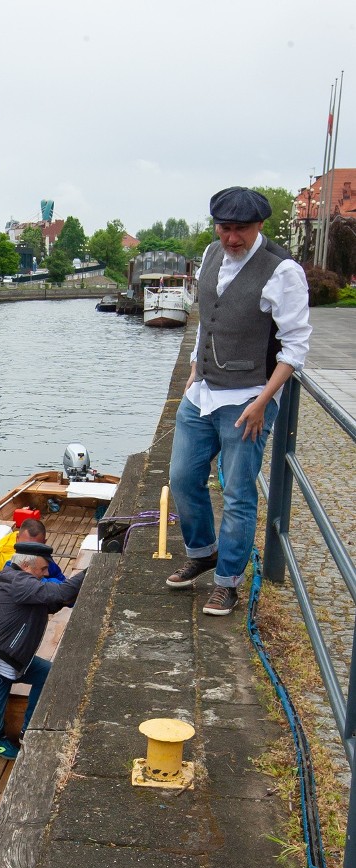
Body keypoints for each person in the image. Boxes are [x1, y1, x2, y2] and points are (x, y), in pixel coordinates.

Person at [167, 186, 311, 616]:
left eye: (241, 230)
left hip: (248, 397)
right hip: (203, 393)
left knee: (238, 494)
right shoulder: (212, 254)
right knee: (182, 478)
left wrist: (265, 399)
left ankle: (227, 580)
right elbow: (203, 322)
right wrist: (194, 366)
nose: (232, 238)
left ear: (259, 225)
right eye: (225, 228)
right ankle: (203, 552)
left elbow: (296, 346)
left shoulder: (282, 270)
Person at [0, 544, 85, 810]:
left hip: (7, 662)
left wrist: (63, 597)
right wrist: (92, 570)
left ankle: (25, 730)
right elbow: (61, 591)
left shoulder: (19, 583)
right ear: (27, 566)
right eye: (43, 569)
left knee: (46, 672)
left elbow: (54, 601)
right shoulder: (17, 580)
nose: (46, 574)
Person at [0, 517, 65, 749]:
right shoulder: (8, 561)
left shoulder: (35, 557)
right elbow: (41, 587)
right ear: (18, 539)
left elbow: (57, 578)